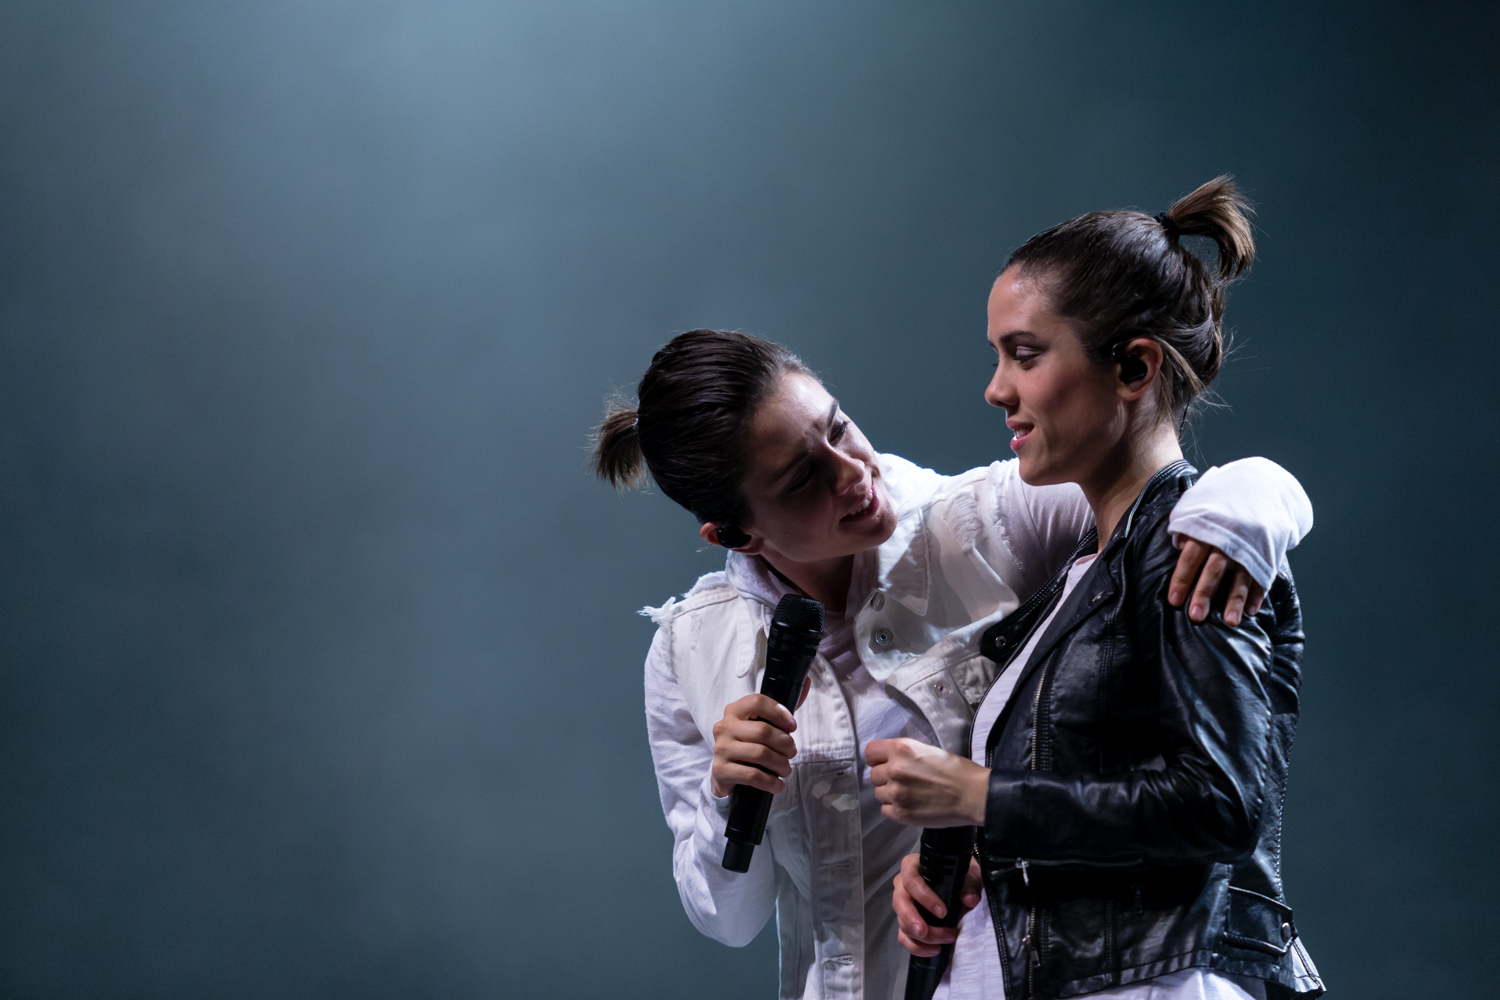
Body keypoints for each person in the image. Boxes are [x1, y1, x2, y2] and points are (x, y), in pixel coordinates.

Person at [591, 324, 1312, 1000]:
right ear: (736, 534)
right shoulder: (689, 649)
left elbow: (1169, 492)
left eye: (839, 427)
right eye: (803, 478)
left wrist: (1251, 505)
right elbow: (726, 919)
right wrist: (728, 793)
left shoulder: (982, 523)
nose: (852, 472)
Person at [874, 177, 1323, 999]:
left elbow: (1219, 803)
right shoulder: (1087, 569)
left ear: (1134, 367)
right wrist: (979, 865)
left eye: (1026, 353)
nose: (996, 388)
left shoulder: (1195, 545)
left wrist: (982, 795)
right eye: (997, 355)